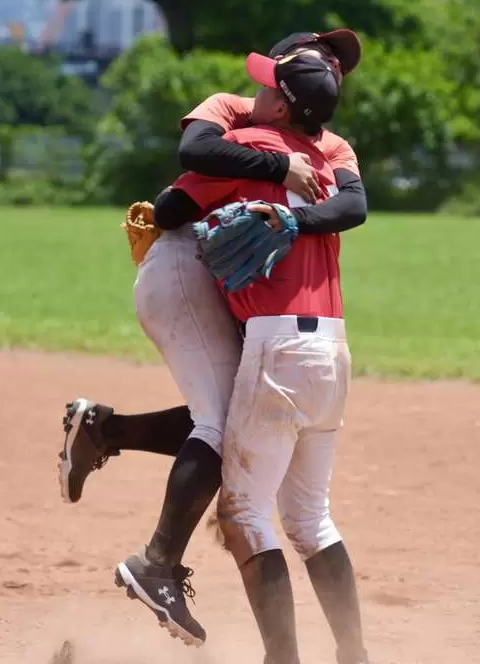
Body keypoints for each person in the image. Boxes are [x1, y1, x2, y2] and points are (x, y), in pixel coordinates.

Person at [57, 32, 367, 645]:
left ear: (285, 101)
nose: (255, 87)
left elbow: (171, 206)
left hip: (275, 341)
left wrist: (268, 211)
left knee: (244, 500)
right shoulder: (305, 147)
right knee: (306, 513)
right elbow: (349, 205)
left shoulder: (261, 137)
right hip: (330, 347)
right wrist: (288, 194)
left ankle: (151, 547)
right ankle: (353, 654)